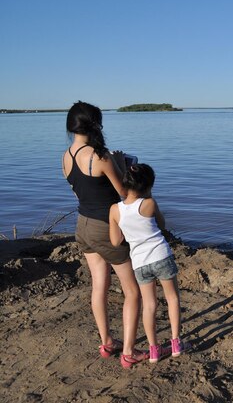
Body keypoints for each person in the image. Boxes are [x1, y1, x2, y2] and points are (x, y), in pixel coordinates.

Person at [62, 101, 146, 369]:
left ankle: (107, 341)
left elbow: (80, 192)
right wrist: (121, 163)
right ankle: (129, 351)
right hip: (105, 226)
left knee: (99, 285)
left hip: (82, 225)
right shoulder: (101, 156)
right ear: (95, 124)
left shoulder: (66, 156)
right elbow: (124, 192)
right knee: (132, 291)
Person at [109, 163, 189, 363]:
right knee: (172, 298)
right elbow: (161, 224)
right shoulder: (149, 204)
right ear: (148, 186)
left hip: (139, 263)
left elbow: (115, 240)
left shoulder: (114, 210)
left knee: (149, 304)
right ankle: (176, 343)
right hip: (161, 256)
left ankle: (154, 350)